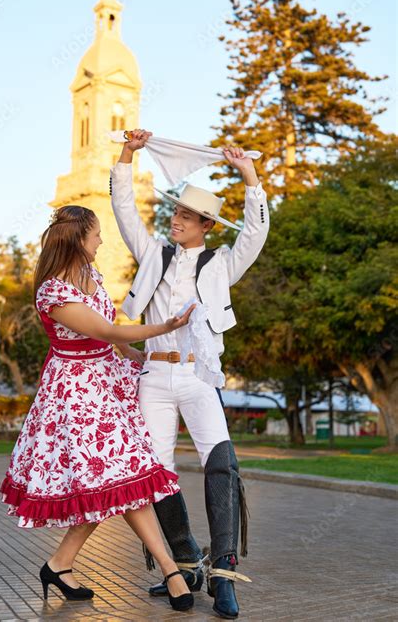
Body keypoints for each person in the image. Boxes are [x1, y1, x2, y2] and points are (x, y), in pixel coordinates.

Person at [0, 205, 196, 613]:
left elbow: (114, 340)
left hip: (108, 386)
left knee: (115, 484)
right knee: (118, 482)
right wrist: (166, 327)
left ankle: (60, 565)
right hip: (76, 397)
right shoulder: (53, 292)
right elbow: (105, 330)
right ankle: (170, 570)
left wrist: (143, 357)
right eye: (96, 235)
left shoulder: (92, 278)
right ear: (78, 240)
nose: (101, 241)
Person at [110, 129, 270, 619]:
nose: (175, 220)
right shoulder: (152, 253)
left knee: (221, 466)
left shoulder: (223, 264)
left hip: (200, 377)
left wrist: (249, 176)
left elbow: (255, 233)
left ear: (205, 225)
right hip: (154, 380)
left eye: (184, 216)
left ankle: (223, 574)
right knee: (156, 475)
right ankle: (184, 564)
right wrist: (127, 155)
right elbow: (124, 211)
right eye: (175, 213)